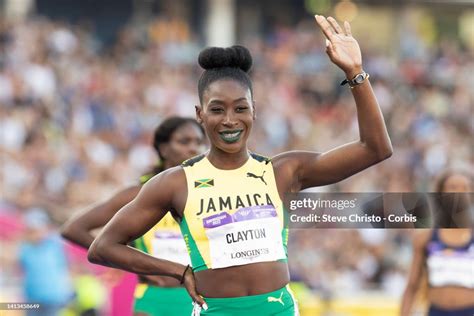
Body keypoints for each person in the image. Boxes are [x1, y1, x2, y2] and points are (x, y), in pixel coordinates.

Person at [88, 15, 392, 315]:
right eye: (217, 109)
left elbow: (375, 148)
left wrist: (356, 73)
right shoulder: (176, 183)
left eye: (241, 108)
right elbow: (104, 246)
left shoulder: (282, 171)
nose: (230, 120)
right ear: (200, 114)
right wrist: (178, 272)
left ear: (254, 111)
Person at [61, 116, 205, 316]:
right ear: (163, 149)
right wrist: (121, 259)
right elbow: (73, 229)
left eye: (199, 142)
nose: (194, 149)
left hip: (200, 297)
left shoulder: (206, 193)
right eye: (184, 141)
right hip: (154, 298)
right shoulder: (138, 195)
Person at [400, 170, 474, 316]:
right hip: (436, 311)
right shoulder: (426, 237)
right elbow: (412, 286)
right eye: (452, 187)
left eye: (465, 188)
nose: (459, 193)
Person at [19, 208, 75, 316]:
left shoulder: (55, 244)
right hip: (32, 298)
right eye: (31, 231)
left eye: (38, 229)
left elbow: (68, 266)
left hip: (54, 297)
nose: (36, 234)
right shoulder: (24, 249)